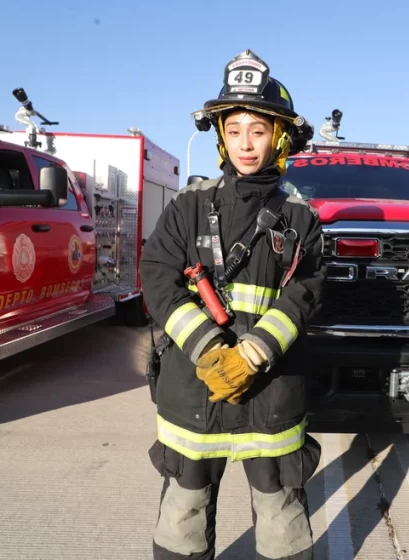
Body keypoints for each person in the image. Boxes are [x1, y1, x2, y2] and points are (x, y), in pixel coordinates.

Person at [139, 49, 324, 560]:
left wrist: (255, 352)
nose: (246, 142)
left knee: (282, 520)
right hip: (193, 393)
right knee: (184, 519)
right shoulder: (188, 206)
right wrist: (206, 348)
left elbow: (306, 290)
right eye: (235, 128)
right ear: (221, 133)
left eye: (259, 130)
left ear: (279, 137)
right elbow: (156, 276)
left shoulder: (300, 219)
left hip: (271, 394)